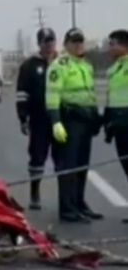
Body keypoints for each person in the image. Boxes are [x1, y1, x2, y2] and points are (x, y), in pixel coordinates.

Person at [46, 27, 102, 223]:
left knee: (82, 166)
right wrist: (56, 122)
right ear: (66, 44)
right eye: (74, 42)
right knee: (68, 166)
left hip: (85, 120)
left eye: (80, 41)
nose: (78, 45)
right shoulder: (59, 65)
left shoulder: (86, 66)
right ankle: (67, 208)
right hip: (69, 120)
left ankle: (79, 203)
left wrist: (95, 118)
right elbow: (52, 95)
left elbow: (90, 93)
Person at [16, 28, 58, 210]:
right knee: (37, 157)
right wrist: (23, 117)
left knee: (64, 158)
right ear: (39, 43)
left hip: (60, 120)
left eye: (51, 41)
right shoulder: (29, 65)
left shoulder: (62, 63)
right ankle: (35, 192)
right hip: (39, 119)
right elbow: (22, 94)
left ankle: (68, 198)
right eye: (45, 42)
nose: (48, 45)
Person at [103, 29, 128, 223]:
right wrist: (107, 122)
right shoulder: (115, 69)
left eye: (112, 44)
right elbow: (112, 98)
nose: (109, 47)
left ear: (123, 45)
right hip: (119, 124)